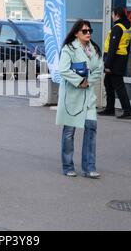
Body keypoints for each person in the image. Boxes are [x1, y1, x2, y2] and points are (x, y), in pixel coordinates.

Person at [56, 20, 103, 179]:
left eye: (89, 30)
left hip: (88, 96)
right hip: (73, 97)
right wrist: (79, 81)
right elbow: (63, 70)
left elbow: (99, 68)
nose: (88, 33)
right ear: (76, 33)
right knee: (69, 132)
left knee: (91, 129)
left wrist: (89, 81)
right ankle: (67, 165)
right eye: (84, 31)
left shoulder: (94, 49)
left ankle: (89, 167)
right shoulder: (69, 49)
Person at [98, 7, 131, 119]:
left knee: (119, 86)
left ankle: (128, 110)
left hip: (114, 60)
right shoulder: (127, 26)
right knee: (108, 82)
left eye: (113, 14)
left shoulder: (117, 28)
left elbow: (113, 47)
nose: (111, 16)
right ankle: (110, 109)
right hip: (121, 58)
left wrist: (108, 64)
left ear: (117, 15)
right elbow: (127, 47)